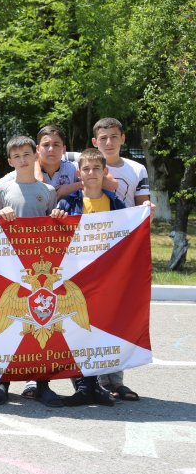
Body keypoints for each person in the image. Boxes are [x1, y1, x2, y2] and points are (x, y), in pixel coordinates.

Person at [0, 136, 67, 407]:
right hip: (10, 267)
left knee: (41, 322)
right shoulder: (3, 189)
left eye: (26, 154)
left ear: (35, 157)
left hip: (40, 269)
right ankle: (2, 382)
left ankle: (42, 382)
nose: (22, 159)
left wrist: (58, 218)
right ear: (9, 161)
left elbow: (53, 228)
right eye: (16, 156)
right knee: (11, 322)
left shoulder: (47, 190)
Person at [53, 149, 131, 408]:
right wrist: (57, 219)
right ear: (79, 173)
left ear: (104, 172)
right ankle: (82, 385)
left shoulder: (115, 203)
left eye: (97, 169)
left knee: (100, 327)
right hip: (76, 277)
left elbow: (129, 235)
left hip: (106, 276)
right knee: (77, 328)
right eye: (86, 169)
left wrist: (145, 213)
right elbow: (54, 236)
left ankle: (98, 384)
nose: (91, 173)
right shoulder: (68, 203)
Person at [90, 117, 155, 401]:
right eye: (103, 138)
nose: (108, 142)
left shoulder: (137, 168)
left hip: (122, 252)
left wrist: (148, 209)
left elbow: (142, 206)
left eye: (113, 137)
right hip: (88, 253)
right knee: (90, 316)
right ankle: (91, 381)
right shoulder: (86, 163)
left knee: (117, 314)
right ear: (94, 141)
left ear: (123, 138)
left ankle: (115, 380)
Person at [0, 125, 80, 201]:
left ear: (64, 149)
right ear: (37, 149)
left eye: (56, 145)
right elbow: (0, 185)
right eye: (46, 145)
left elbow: (91, 175)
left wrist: (70, 187)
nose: (51, 149)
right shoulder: (25, 171)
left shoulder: (72, 168)